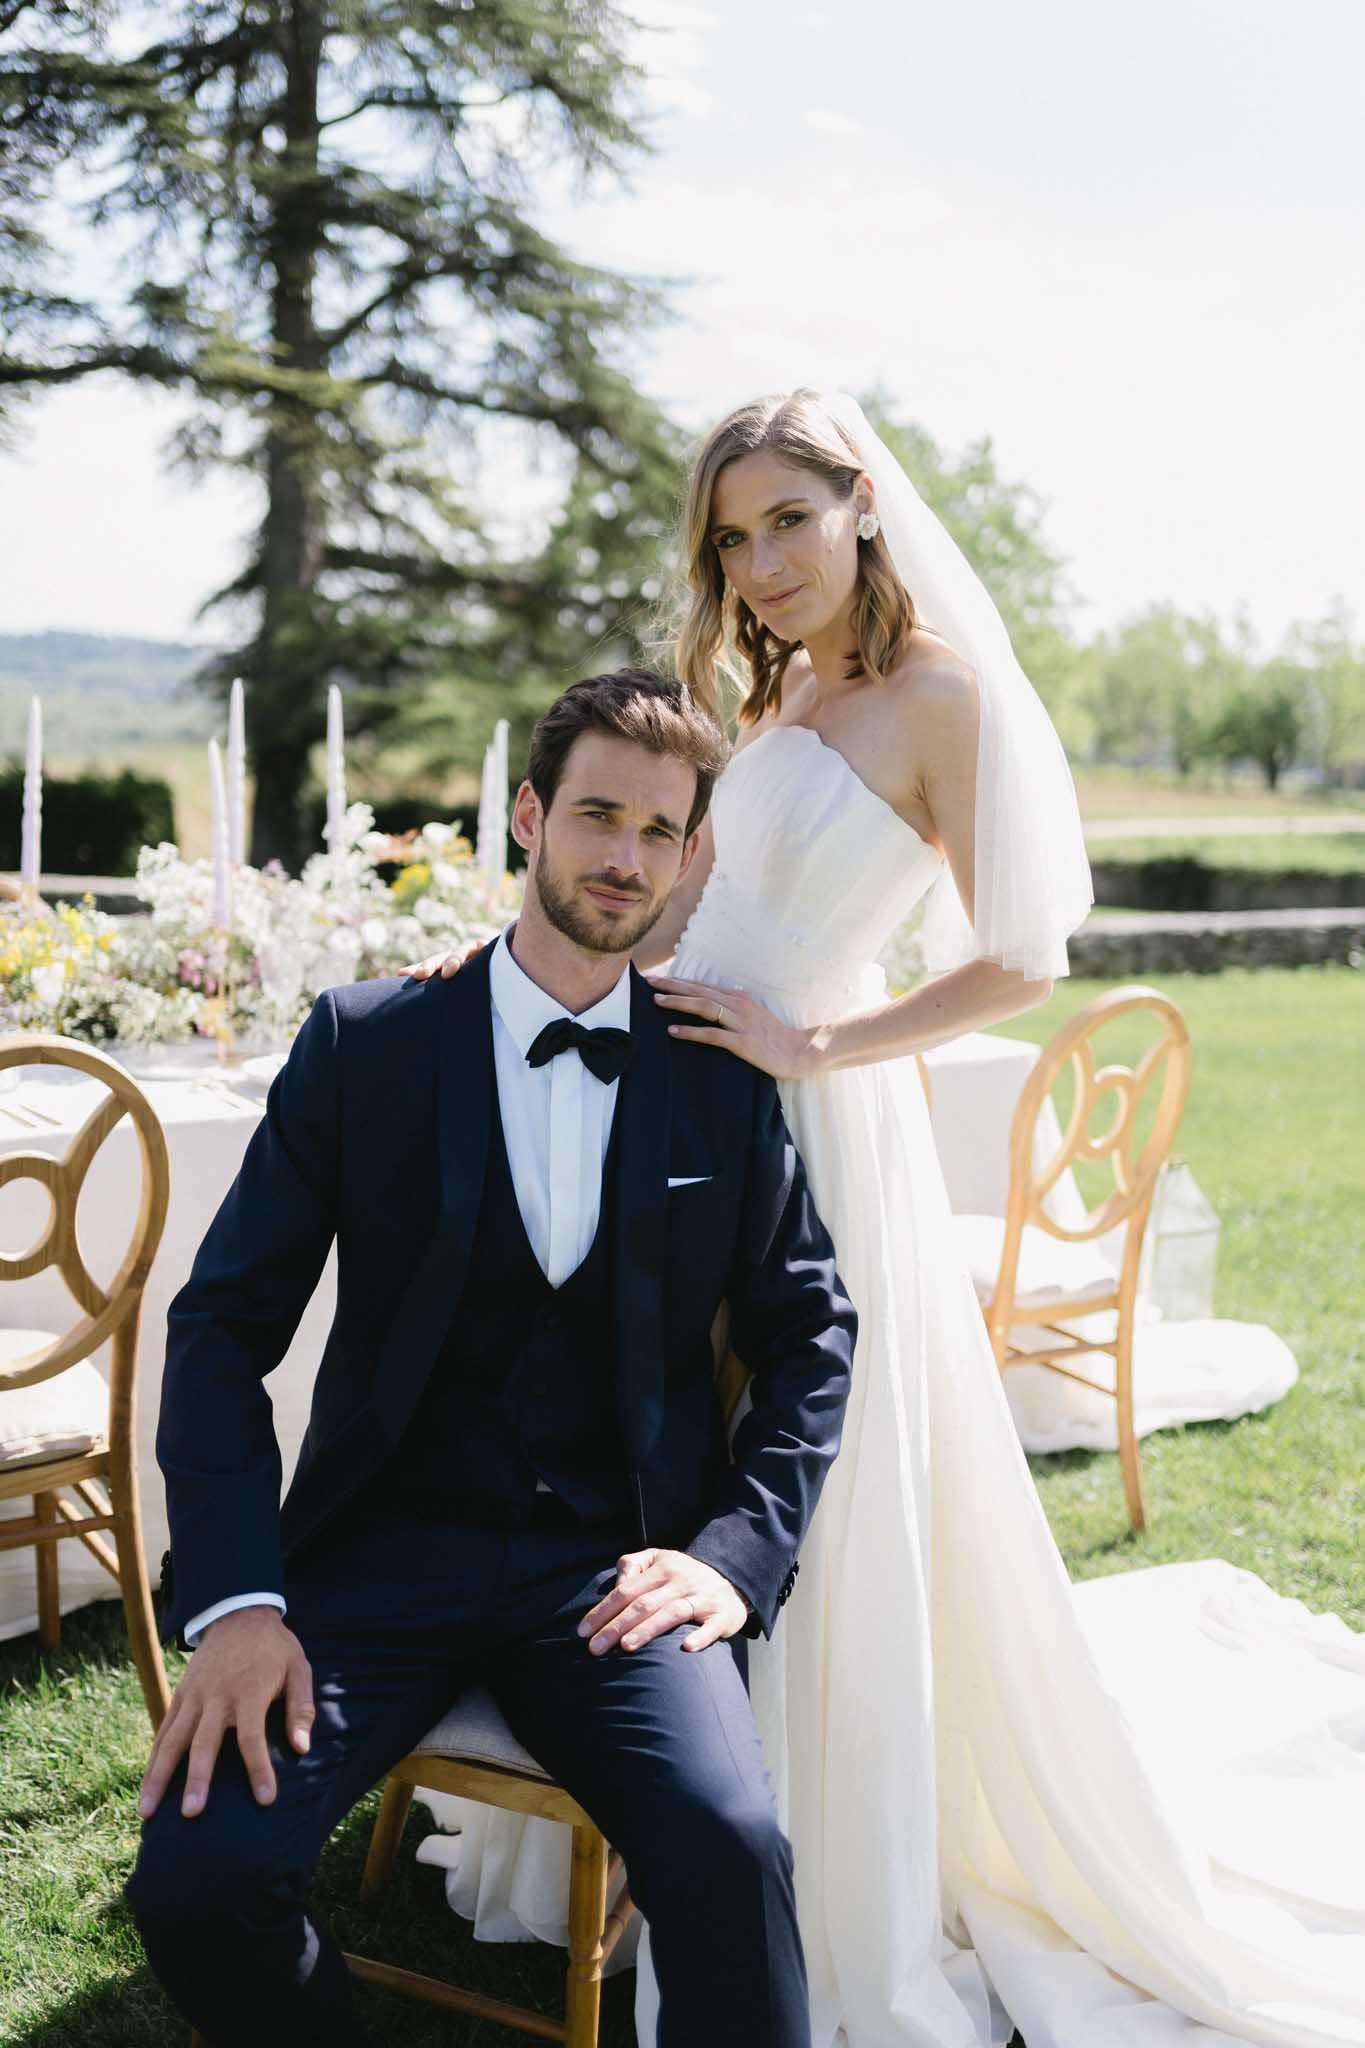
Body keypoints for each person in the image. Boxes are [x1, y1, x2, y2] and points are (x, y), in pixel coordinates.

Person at [405, 393, 1365, 2048]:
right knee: (657, 1447)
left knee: (800, 1469)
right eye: (729, 537)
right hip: (675, 1100)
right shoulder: (767, 691)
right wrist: (513, 971)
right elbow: (685, 888)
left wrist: (820, 1042)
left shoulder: (946, 698)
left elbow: (1027, 952)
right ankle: (649, 1785)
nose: (759, 564)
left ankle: (817, 1835)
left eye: (786, 520)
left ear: (862, 508)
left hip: (813, 1115)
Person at [125, 667, 858, 2048]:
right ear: (529, 816)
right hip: (376, 1558)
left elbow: (811, 1330)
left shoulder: (718, 1076)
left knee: (731, 1844)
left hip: (611, 1573)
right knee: (198, 1883)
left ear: (691, 853)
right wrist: (236, 1604)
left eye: (658, 831)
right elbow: (222, 1324)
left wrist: (731, 1556)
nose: (623, 857)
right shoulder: (369, 1043)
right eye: (596, 815)